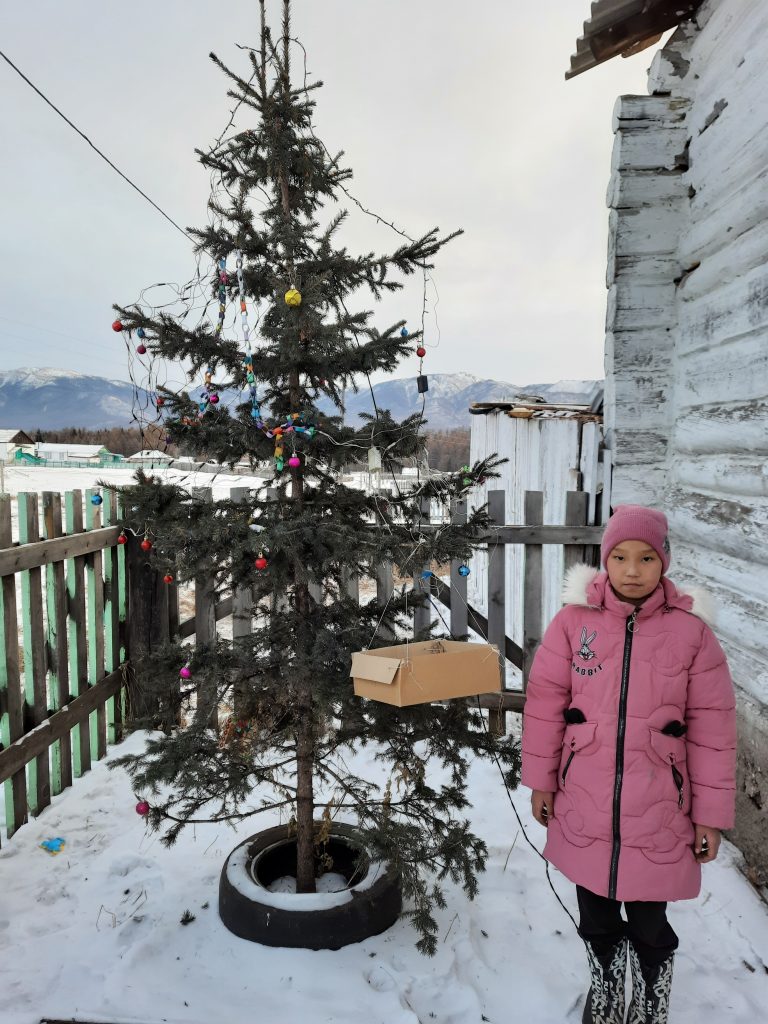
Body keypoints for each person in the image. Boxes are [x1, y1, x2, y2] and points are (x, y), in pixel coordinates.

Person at [521, 505, 737, 1024]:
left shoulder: (691, 634)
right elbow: (545, 704)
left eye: (646, 557)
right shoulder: (573, 624)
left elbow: (713, 731)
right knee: (595, 916)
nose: (632, 570)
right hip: (585, 804)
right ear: (605, 560)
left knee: (649, 923)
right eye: (619, 557)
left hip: (659, 810)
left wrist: (710, 817)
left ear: (664, 561)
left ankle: (649, 1002)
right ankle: (607, 988)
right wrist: (541, 781)